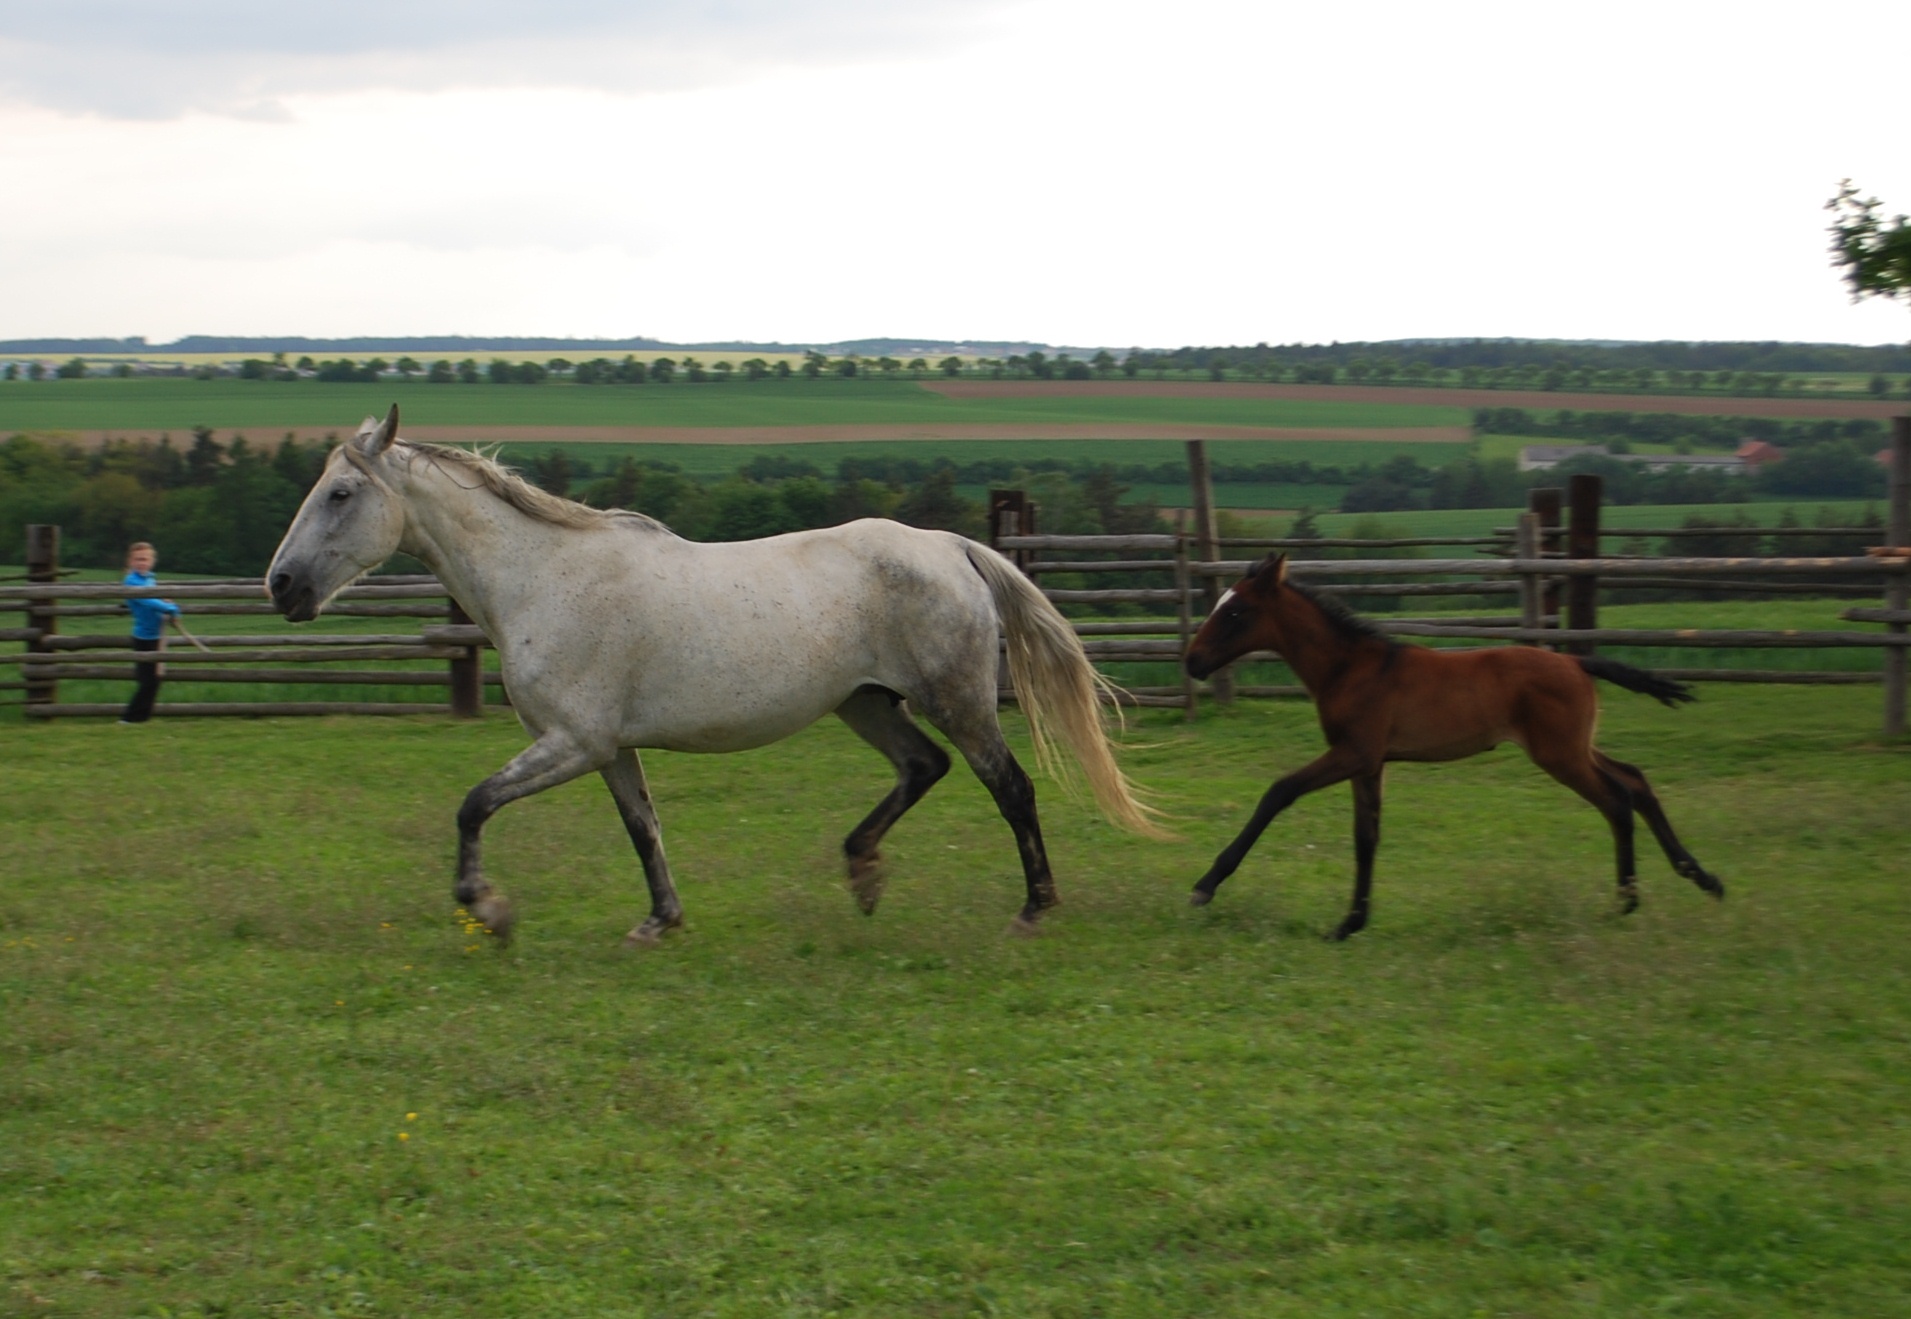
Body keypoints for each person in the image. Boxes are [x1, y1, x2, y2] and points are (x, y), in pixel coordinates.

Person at [120, 541, 180, 724]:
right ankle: (130, 718)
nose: (142, 563)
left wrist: (169, 606)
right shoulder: (131, 581)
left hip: (156, 637)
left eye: (145, 559)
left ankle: (142, 717)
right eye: (138, 559)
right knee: (147, 681)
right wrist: (170, 608)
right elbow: (147, 600)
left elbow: (154, 598)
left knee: (155, 680)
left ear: (152, 561)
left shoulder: (149, 579)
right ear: (131, 561)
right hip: (143, 637)